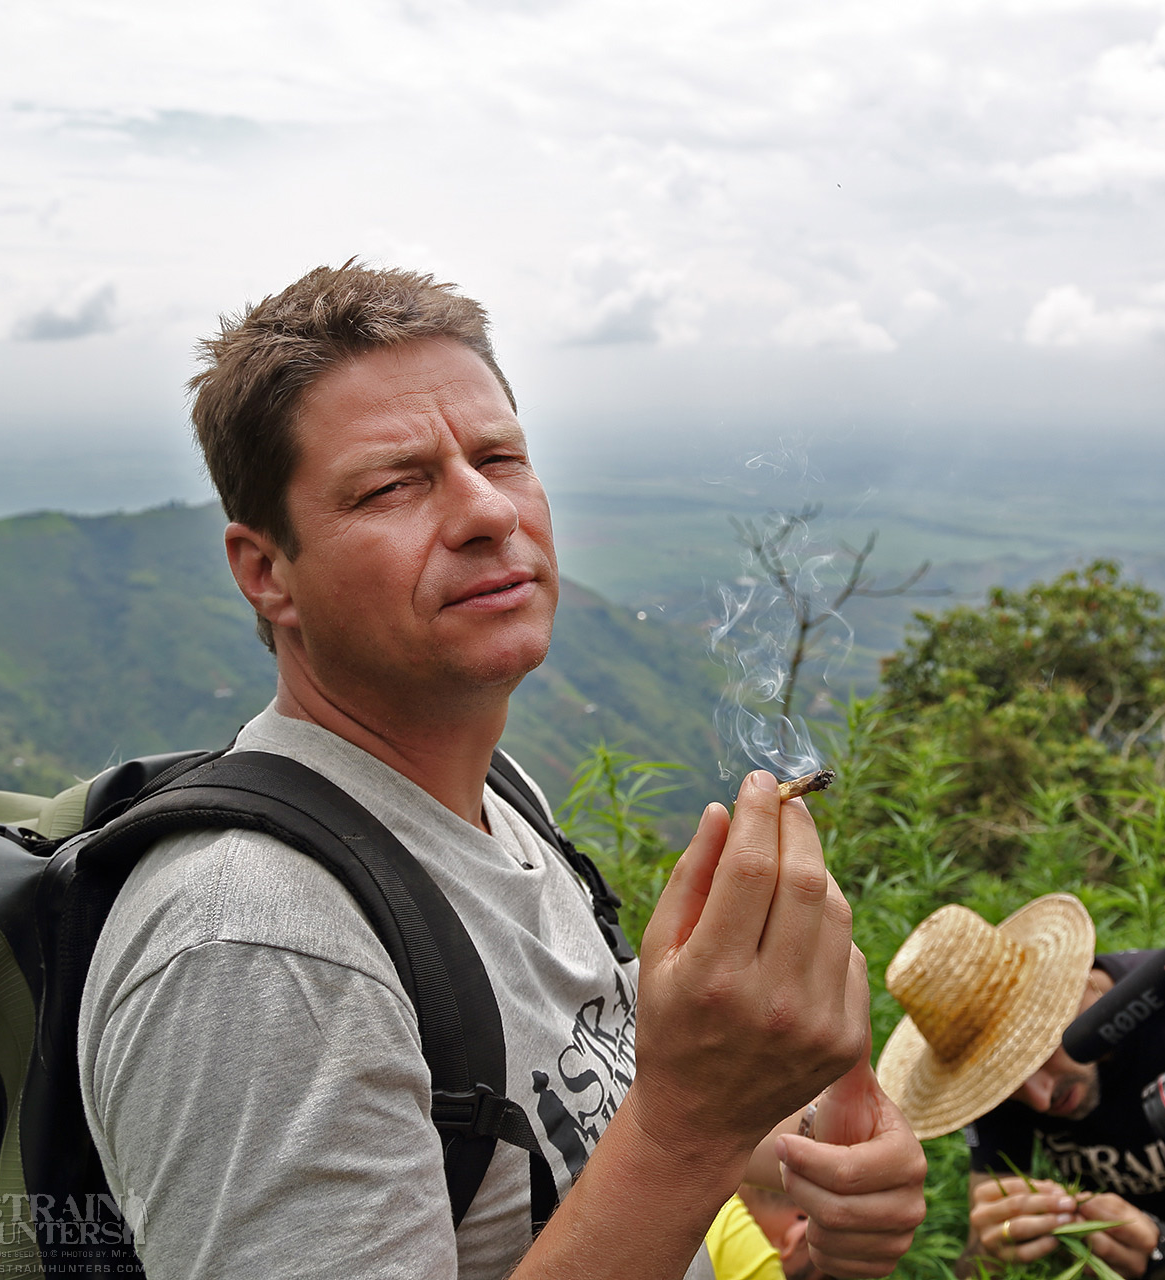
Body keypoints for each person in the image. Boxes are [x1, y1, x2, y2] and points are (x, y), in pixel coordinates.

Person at [76, 263, 927, 1280]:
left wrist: (786, 1153)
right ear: (267, 572)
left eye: (500, 456)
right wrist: (689, 1125)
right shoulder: (260, 942)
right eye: (393, 483)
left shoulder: (497, 801)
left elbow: (573, 1140)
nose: (487, 510)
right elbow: (656, 1135)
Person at [873, 895, 1165, 1280]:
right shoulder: (991, 1080)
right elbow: (978, 1260)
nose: (1040, 1096)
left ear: (1071, 985)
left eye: (1036, 1051)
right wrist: (993, 1245)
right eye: (1007, 1080)